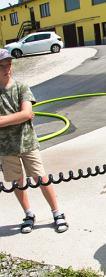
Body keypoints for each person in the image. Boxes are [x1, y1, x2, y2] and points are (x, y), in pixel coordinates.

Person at [0, 48, 68, 234]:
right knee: (17, 182)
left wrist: (7, 119)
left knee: (41, 178)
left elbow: (28, 112)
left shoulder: (21, 87)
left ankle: (57, 212)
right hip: (6, 148)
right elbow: (23, 115)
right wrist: (20, 116)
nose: (7, 68)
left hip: (27, 143)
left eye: (9, 64)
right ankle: (29, 214)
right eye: (2, 66)